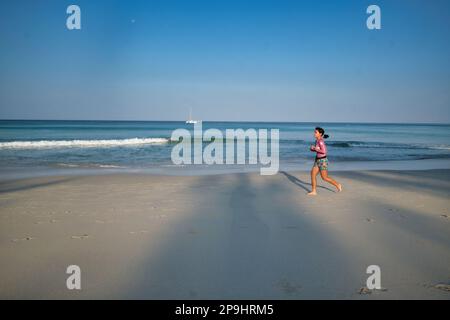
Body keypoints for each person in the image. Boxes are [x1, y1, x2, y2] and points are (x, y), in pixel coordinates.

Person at [307, 127, 342, 195]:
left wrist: (315, 149)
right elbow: (317, 150)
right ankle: (314, 191)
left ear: (320, 134)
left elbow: (324, 151)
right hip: (317, 160)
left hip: (323, 161)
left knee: (324, 177)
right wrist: (312, 149)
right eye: (314, 132)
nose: (314, 133)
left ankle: (337, 184)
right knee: (313, 174)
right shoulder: (317, 141)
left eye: (315, 132)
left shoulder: (320, 141)